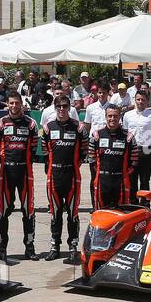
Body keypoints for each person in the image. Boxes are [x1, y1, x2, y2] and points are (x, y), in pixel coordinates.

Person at [0, 93, 39, 261]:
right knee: (3, 210)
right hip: (6, 173)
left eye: (16, 103)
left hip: (25, 173)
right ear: (8, 104)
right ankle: (2, 247)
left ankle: (29, 246)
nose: (14, 106)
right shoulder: (1, 123)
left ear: (21, 104)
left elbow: (34, 145)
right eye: (11, 103)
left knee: (28, 210)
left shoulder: (30, 123)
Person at [42, 96, 87, 263]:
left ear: (69, 107)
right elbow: (45, 150)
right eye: (59, 106)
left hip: (72, 176)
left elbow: (84, 151)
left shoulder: (78, 127)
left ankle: (73, 247)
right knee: (55, 213)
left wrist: (74, 166)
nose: (62, 109)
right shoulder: (48, 127)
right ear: (55, 108)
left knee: (73, 214)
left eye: (65, 106)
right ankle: (55, 247)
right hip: (54, 177)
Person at [90, 104, 139, 211]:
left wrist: (125, 174)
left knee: (121, 215)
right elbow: (91, 159)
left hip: (120, 181)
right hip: (102, 181)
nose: (112, 119)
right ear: (106, 116)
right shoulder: (96, 135)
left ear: (120, 116)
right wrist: (100, 173)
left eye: (115, 116)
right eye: (110, 116)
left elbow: (134, 160)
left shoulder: (128, 137)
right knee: (100, 214)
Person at [122, 89, 151, 198]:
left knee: (145, 179)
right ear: (135, 100)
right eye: (138, 99)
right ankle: (133, 202)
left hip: (146, 149)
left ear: (147, 101)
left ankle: (145, 202)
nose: (140, 102)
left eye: (143, 100)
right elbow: (125, 132)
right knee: (131, 178)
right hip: (131, 149)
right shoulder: (128, 115)